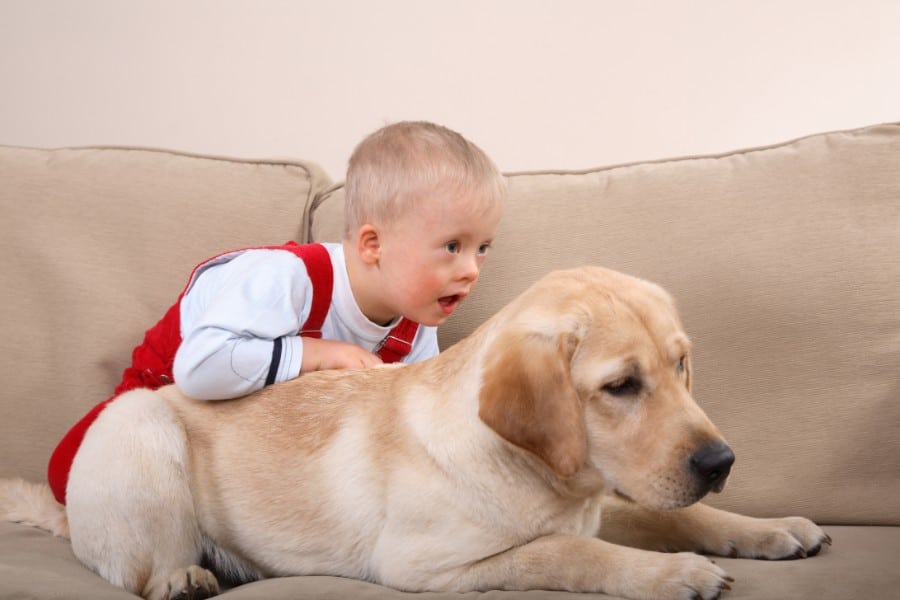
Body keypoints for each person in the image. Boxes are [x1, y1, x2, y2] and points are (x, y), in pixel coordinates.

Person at [47, 121, 506, 504]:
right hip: (167, 390)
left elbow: (414, 424)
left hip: (247, 444)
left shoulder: (416, 321)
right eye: (452, 247)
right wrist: (318, 354)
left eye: (482, 248)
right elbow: (198, 369)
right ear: (373, 244)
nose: (470, 270)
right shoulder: (287, 279)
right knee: (71, 475)